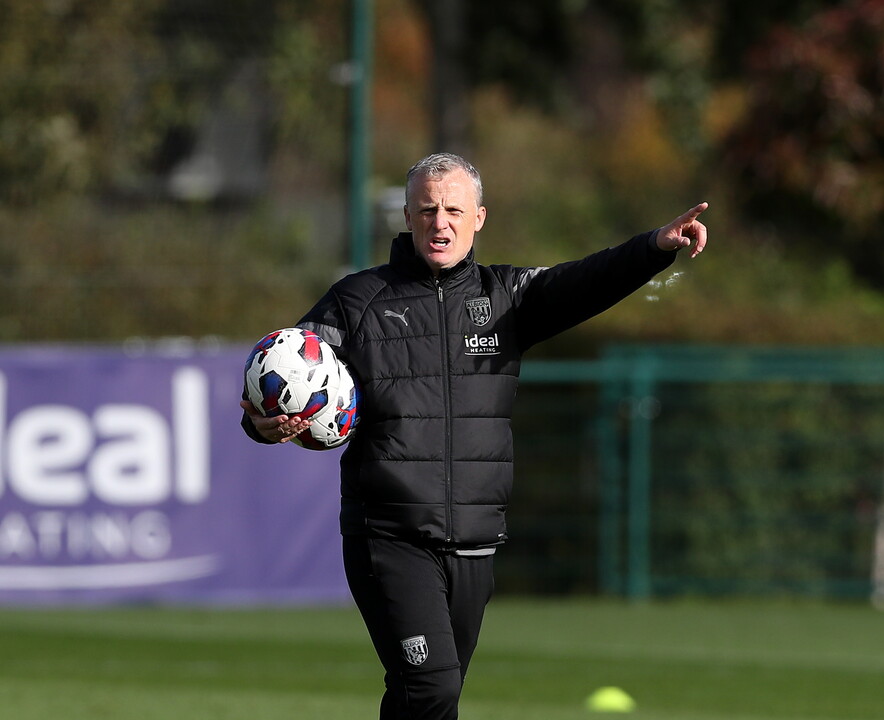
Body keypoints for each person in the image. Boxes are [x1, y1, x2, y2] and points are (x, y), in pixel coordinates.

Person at [241, 152, 708, 719]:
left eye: (453, 210)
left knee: (427, 698)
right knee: (431, 688)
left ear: (478, 217)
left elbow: (586, 281)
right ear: (409, 218)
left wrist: (653, 247)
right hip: (390, 535)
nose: (441, 222)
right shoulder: (356, 301)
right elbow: (286, 371)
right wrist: (261, 426)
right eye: (428, 210)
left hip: (475, 539)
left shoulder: (507, 299)